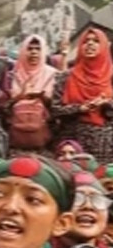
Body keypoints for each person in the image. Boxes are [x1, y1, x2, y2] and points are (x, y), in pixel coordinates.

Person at [52, 27, 113, 163]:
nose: (90, 44)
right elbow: (55, 110)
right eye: (86, 41)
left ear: (103, 46)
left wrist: (106, 104)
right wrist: (80, 109)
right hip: (72, 141)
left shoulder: (111, 77)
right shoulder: (66, 77)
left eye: (96, 41)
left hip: (104, 143)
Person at [8, 35, 57, 151]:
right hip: (16, 136)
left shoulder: (53, 75)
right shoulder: (12, 75)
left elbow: (58, 105)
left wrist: (41, 96)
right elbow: (3, 106)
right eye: (29, 49)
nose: (34, 52)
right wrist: (21, 96)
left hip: (45, 138)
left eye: (38, 49)